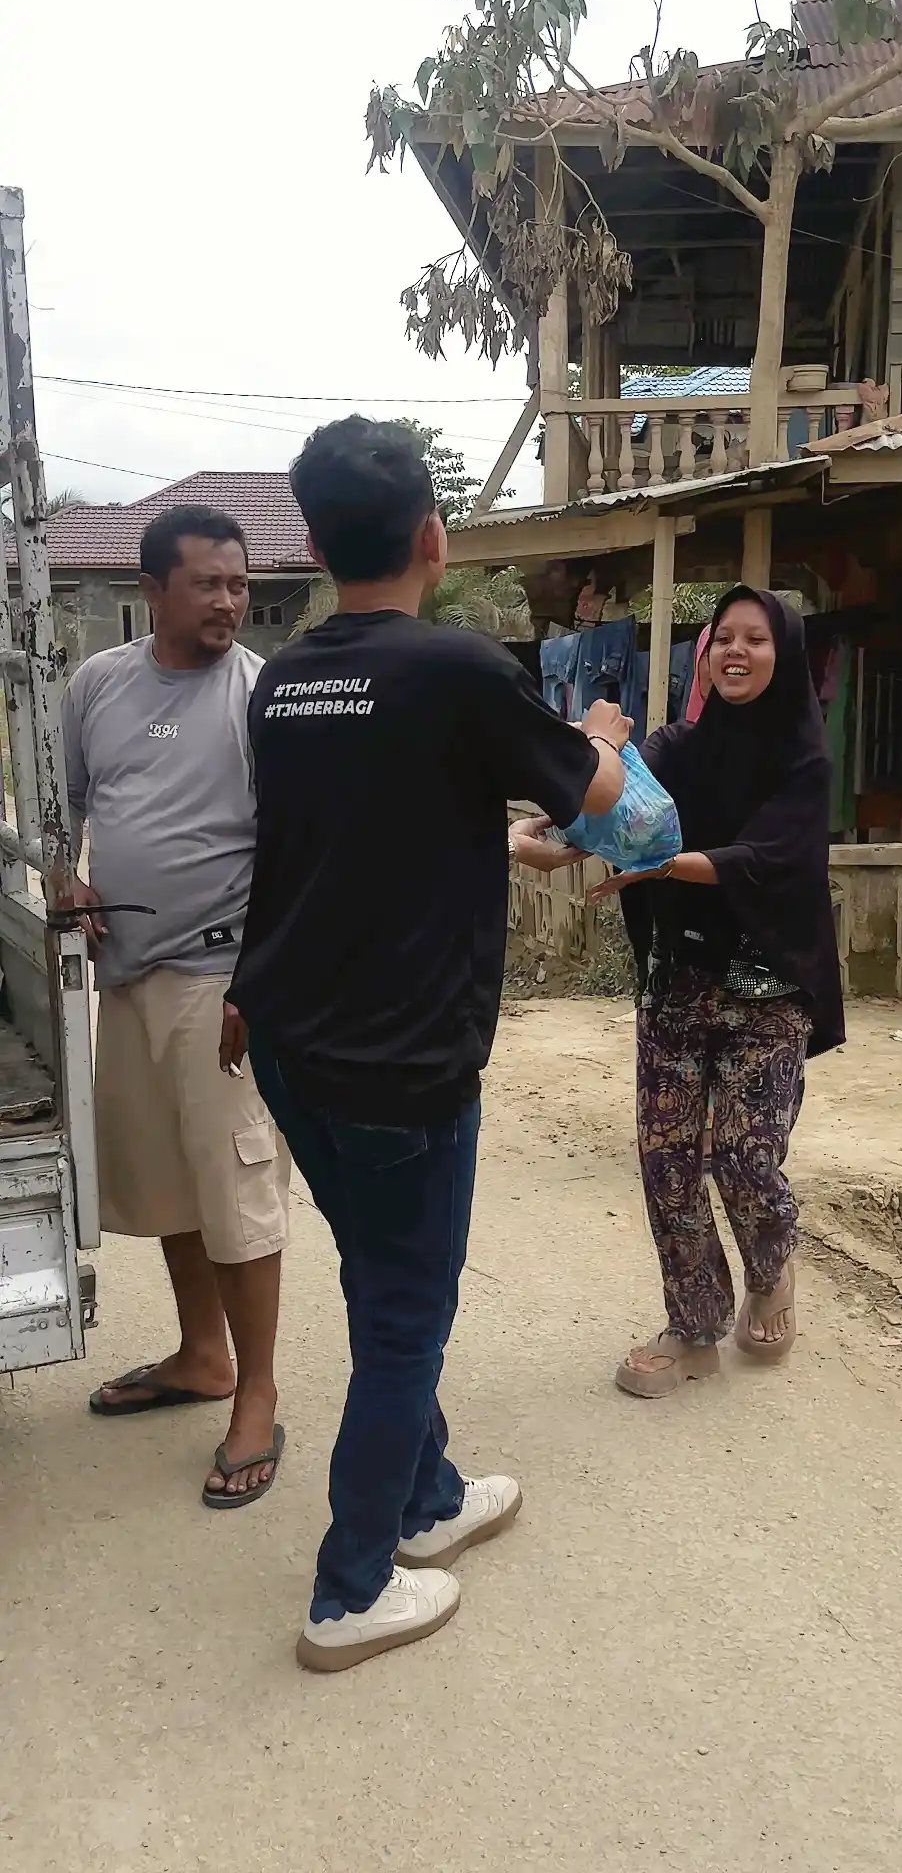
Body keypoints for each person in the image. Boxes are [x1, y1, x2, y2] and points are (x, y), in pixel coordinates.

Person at [222, 416, 629, 1671]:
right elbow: (597, 798)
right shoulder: (456, 669)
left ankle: (428, 1499)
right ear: (435, 538)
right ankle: (349, 1592)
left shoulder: (285, 679)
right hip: (402, 1065)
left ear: (309, 541)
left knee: (381, 1281)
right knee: (405, 1318)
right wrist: (605, 729)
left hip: (291, 1041)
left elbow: (339, 837)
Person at [63, 506, 290, 1508]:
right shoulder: (96, 686)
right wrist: (66, 883)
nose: (230, 602)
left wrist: (262, 981)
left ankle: (257, 1396)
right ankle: (202, 1356)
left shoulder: (259, 697)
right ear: (153, 589)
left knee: (238, 1194)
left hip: (220, 982)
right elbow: (70, 809)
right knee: (167, 1189)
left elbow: (296, 854)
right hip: (128, 979)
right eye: (208, 584)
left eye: (240, 585)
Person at [588, 586, 845, 1396]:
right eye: (721, 637)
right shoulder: (675, 745)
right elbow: (615, 809)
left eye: (756, 639)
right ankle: (694, 1324)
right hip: (680, 979)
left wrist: (661, 863)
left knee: (744, 1155)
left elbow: (769, 857)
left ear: (786, 655)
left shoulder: (804, 760)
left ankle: (771, 1268)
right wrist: (551, 836)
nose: (735, 651)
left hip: (768, 987)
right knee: (667, 1158)